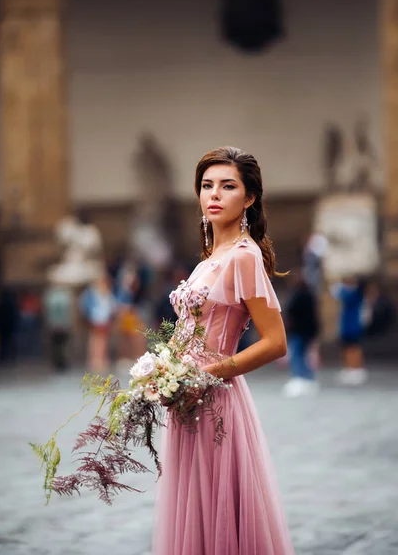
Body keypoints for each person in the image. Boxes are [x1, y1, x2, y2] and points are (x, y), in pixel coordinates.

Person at [153, 147, 294, 555]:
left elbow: (275, 342)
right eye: (206, 185)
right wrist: (163, 372)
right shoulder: (210, 258)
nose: (214, 194)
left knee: (220, 516)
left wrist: (205, 376)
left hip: (215, 401)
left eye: (228, 186)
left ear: (249, 198)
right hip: (186, 401)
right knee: (192, 513)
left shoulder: (244, 258)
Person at [282, 269, 320, 397]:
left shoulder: (296, 295)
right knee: (305, 356)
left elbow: (290, 312)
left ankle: (299, 378)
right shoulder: (310, 295)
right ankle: (308, 379)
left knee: (297, 355)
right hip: (307, 330)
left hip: (298, 330)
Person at [331, 277, 368, 385]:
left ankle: (356, 368)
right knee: (347, 348)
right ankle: (350, 368)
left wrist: (340, 286)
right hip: (348, 326)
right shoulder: (353, 294)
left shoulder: (355, 294)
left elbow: (340, 294)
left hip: (353, 326)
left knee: (354, 348)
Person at [79, 271, 116, 374]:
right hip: (95, 319)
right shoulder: (90, 294)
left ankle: (102, 359)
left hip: (105, 320)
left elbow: (112, 306)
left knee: (103, 341)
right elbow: (85, 306)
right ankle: (94, 360)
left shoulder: (108, 294)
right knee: (95, 341)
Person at [43, 283, 73, 372]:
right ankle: (60, 362)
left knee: (56, 346)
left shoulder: (50, 297)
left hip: (55, 325)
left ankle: (58, 362)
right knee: (60, 346)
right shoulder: (63, 297)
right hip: (61, 325)